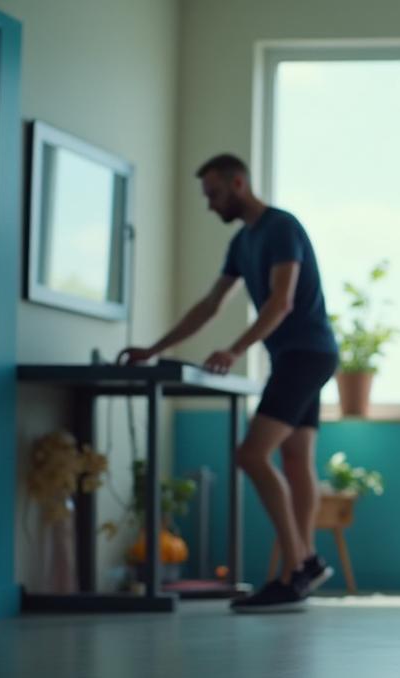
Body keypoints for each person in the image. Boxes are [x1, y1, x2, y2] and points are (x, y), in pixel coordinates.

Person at [121, 154, 342, 612]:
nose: (209, 205)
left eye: (214, 194)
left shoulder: (281, 228)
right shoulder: (243, 243)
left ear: (238, 183)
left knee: (251, 454)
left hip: (306, 353)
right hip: (295, 356)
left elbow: (281, 302)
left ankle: (299, 563)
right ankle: (299, 569)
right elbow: (209, 305)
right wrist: (155, 349)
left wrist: (235, 350)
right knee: (296, 457)